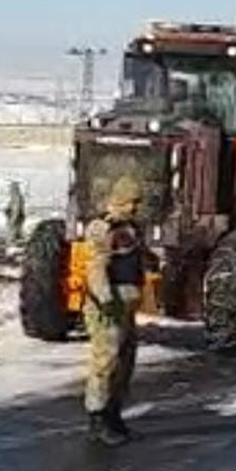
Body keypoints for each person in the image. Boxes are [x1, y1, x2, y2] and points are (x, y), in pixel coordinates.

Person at [83, 175, 148, 447]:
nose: (135, 208)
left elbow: (134, 257)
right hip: (108, 306)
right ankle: (97, 417)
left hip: (127, 304)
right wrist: (106, 299)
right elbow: (97, 267)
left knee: (125, 362)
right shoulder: (103, 228)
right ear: (119, 200)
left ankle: (114, 413)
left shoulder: (130, 228)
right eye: (132, 202)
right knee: (105, 362)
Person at [3, 180, 25, 245]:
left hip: (16, 216)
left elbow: (16, 207)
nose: (10, 190)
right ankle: (16, 240)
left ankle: (13, 242)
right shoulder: (17, 196)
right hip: (17, 215)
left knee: (13, 229)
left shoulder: (16, 197)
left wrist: (14, 217)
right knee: (17, 229)